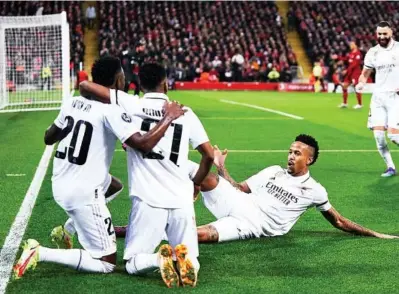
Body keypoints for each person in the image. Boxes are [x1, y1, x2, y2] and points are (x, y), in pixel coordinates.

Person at [13, 56, 185, 279]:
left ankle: (68, 230)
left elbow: (49, 138)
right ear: (117, 79)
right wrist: (168, 118)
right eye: (122, 75)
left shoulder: (72, 102)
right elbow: (143, 145)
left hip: (60, 181)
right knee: (106, 263)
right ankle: (40, 252)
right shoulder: (111, 112)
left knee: (113, 186)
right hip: (82, 193)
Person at [114, 134, 398, 243]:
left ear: (309, 159)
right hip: (239, 202)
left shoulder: (316, 190)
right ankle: (140, 148)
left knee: (192, 234)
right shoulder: (273, 171)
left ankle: (127, 230)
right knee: (196, 169)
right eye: (290, 150)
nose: (291, 155)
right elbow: (238, 188)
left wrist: (376, 233)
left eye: (297, 153)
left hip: (254, 225)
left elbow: (338, 220)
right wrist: (222, 166)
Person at [80, 63, 214, 288]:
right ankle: (182, 259)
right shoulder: (185, 112)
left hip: (148, 200)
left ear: (140, 84)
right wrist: (197, 183)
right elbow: (208, 155)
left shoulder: (129, 104)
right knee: (191, 258)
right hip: (181, 199)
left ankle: (159, 258)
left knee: (132, 263)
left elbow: (87, 87)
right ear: (165, 83)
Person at [356, 21, 399, 177]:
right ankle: (390, 167)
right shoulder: (372, 52)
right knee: (379, 137)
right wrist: (361, 83)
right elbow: (365, 73)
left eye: (384, 34)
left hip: (395, 98)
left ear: (391, 33)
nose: (381, 37)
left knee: (394, 135)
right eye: (379, 34)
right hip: (378, 98)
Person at [338, 42, 363, 109]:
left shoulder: (358, 54)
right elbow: (345, 59)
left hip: (355, 73)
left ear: (356, 45)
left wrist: (346, 70)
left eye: (352, 44)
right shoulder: (351, 53)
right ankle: (345, 103)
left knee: (357, 88)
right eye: (350, 45)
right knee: (344, 86)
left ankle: (360, 104)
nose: (350, 46)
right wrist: (338, 57)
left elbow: (354, 64)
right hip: (350, 73)